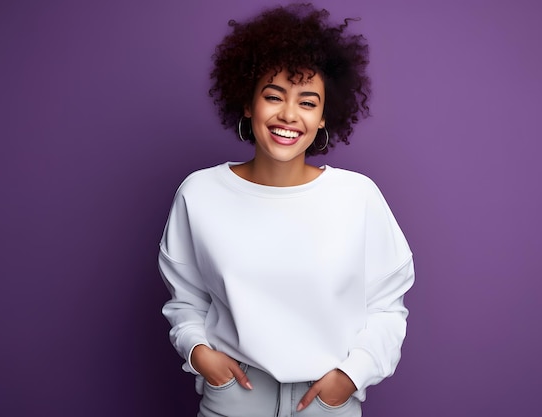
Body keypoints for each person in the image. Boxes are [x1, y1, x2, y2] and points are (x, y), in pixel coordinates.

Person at [159, 4, 414, 416]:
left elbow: (387, 306)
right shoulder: (200, 193)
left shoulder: (357, 196)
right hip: (233, 399)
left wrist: (350, 377)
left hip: (326, 403)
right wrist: (200, 352)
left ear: (324, 116)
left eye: (307, 102)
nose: (288, 115)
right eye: (273, 96)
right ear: (248, 103)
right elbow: (186, 300)